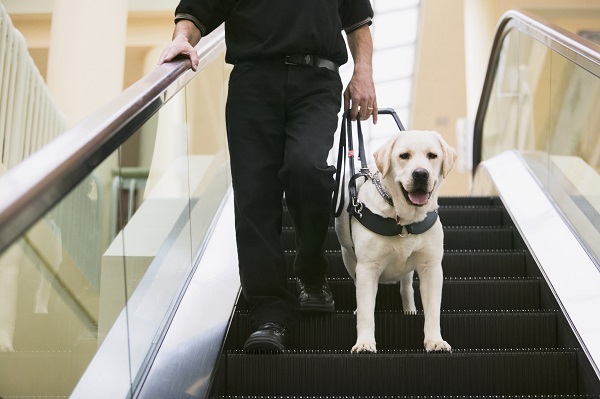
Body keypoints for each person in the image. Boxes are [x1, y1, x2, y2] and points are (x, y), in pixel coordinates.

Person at [159, 0, 378, 352]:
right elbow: (196, 11)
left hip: (317, 80)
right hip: (253, 82)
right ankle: (269, 315)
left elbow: (357, 21)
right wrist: (183, 38)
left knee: (307, 167)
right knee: (255, 196)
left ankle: (310, 269)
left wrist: (363, 73)